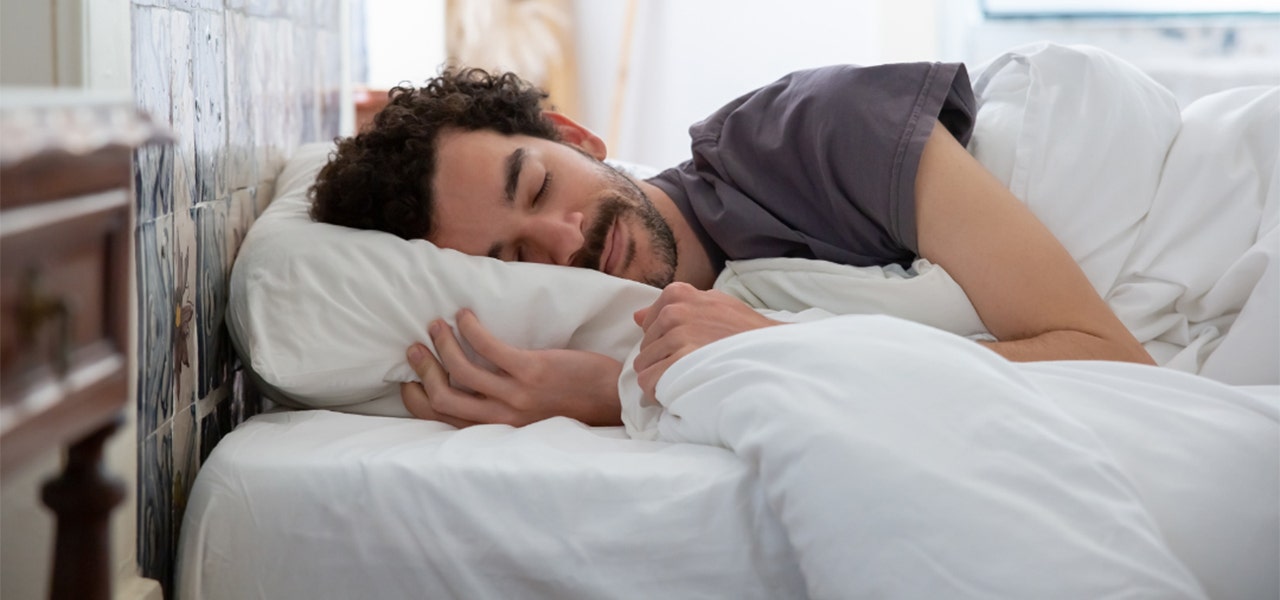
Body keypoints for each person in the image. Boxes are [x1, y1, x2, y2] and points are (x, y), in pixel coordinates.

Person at [310, 66, 1155, 429]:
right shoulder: (660, 318)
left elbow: (1110, 360)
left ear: (578, 135)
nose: (565, 243)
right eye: (514, 263)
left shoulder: (810, 133)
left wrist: (757, 363)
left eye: (536, 188)